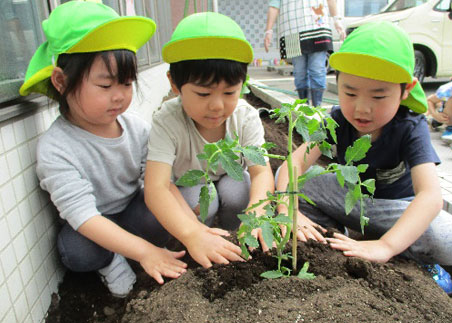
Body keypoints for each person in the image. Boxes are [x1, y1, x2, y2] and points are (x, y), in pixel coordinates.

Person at [276, 21, 452, 294]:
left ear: (405, 90)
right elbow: (294, 163)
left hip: (393, 210)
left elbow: (430, 197)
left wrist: (386, 246)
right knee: (294, 181)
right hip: (350, 200)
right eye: (350, 92)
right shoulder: (337, 120)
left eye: (379, 96)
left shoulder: (410, 127)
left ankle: (415, 260)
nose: (362, 109)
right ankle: (331, 241)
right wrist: (289, 210)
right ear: (338, 82)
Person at [19, 1, 187, 298]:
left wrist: (191, 228)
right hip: (92, 226)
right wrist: (146, 251)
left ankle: (140, 252)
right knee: (76, 250)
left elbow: (158, 184)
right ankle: (112, 260)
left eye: (126, 84)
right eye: (106, 86)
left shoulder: (135, 129)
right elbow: (85, 217)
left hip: (131, 212)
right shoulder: (56, 148)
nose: (120, 97)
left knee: (163, 207)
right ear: (61, 81)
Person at [144, 12, 275, 269]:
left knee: (239, 190)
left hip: (229, 179)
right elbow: (156, 188)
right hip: (189, 187)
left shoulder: (245, 117)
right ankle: (198, 246)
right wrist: (191, 233)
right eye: (203, 93)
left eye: (229, 92)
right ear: (174, 84)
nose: (217, 106)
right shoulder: (167, 120)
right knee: (200, 200)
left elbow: (261, 173)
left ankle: (231, 238)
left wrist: (256, 214)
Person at [264, 0, 346, 107]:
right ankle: (304, 106)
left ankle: (317, 108)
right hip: (292, 31)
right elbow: (274, 6)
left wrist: (336, 19)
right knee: (299, 72)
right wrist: (268, 31)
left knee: (317, 70)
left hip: (318, 27)